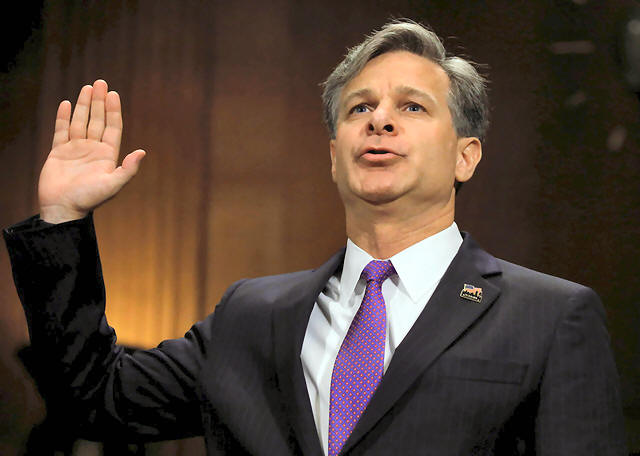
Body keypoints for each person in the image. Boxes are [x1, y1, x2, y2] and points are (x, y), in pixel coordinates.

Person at [4, 20, 627, 455]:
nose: (379, 120)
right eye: (360, 108)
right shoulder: (252, 317)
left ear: (466, 156)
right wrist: (63, 220)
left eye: (412, 107)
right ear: (334, 157)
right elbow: (95, 397)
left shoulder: (549, 317)